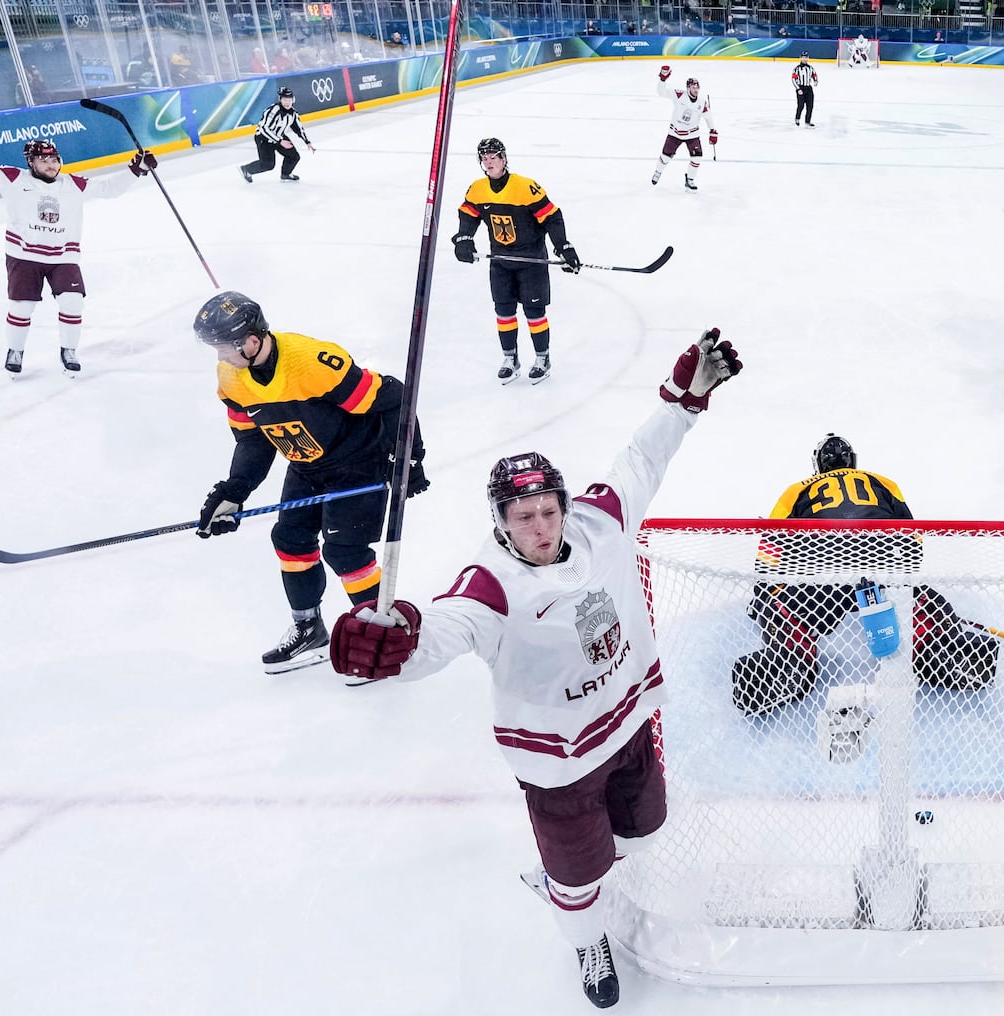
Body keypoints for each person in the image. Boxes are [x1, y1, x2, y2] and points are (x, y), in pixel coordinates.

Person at [327, 330, 743, 1009]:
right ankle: (585, 935)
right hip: (560, 767)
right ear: (501, 521)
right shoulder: (489, 585)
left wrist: (684, 401)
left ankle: (581, 882)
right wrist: (398, 639)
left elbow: (642, 458)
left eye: (549, 510)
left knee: (644, 834)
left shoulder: (600, 521)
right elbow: (440, 631)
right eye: (525, 517)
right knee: (580, 881)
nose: (543, 526)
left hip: (630, 727)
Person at [192, 291, 429, 674]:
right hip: (306, 463)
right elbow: (253, 439)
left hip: (358, 461)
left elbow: (396, 396)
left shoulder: (312, 363)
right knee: (290, 541)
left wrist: (409, 457)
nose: (220, 357)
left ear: (251, 341)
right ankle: (309, 629)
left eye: (223, 348)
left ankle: (382, 637)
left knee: (346, 552)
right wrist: (234, 490)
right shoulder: (231, 377)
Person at [734, 434, 1004, 716]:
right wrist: (908, 583)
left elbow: (771, 548)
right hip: (882, 570)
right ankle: (941, 645)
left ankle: (788, 659)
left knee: (783, 611)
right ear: (853, 462)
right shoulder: (881, 481)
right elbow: (912, 536)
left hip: (826, 578)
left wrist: (767, 597)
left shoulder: (795, 490)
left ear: (818, 465)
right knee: (926, 602)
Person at [0, 121, 155, 376]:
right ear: (31, 163)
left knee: (72, 303)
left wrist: (135, 169)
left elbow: (109, 189)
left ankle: (69, 351)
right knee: (21, 307)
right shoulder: (13, 178)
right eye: (44, 161)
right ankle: (15, 351)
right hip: (23, 256)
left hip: (64, 256)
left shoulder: (73, 184)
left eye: (54, 160)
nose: (51, 166)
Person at [451, 137, 580, 385]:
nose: (488, 162)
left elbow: (552, 217)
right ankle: (510, 359)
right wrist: (464, 238)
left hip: (531, 261)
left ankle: (542, 358)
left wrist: (563, 246)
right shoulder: (478, 188)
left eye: (493, 157)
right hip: (501, 261)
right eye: (484, 158)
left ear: (504, 159)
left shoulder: (525, 187)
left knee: (534, 313)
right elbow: (468, 214)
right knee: (504, 312)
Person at [652, 64, 717, 190]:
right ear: (688, 88)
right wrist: (663, 79)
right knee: (665, 157)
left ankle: (690, 180)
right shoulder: (679, 95)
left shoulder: (702, 101)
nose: (695, 89)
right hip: (675, 133)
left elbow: (708, 116)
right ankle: (658, 172)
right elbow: (661, 92)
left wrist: (712, 131)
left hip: (692, 134)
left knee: (697, 157)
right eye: (693, 87)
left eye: (697, 87)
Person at [240, 87, 315, 183]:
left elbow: (299, 129)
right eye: (284, 100)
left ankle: (285, 174)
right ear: (280, 100)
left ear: (293, 100)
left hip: (279, 137)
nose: (287, 102)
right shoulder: (273, 111)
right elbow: (264, 128)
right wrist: (280, 141)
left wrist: (307, 142)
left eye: (289, 100)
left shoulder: (293, 113)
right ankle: (247, 169)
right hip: (264, 138)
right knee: (268, 165)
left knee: (294, 156)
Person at [790, 51, 818, 127]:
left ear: (808, 58)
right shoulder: (797, 69)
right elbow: (793, 79)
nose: (804, 59)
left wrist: (815, 81)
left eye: (806, 57)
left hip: (809, 88)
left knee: (810, 106)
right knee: (801, 105)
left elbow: (814, 75)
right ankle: (797, 118)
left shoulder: (811, 68)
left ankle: (807, 121)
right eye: (803, 57)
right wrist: (798, 89)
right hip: (801, 88)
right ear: (800, 58)